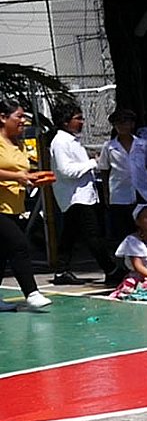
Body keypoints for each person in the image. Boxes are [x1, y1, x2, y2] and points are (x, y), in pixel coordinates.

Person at [48, 104, 117, 285]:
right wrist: (93, 163)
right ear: (65, 122)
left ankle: (61, 270)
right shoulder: (61, 142)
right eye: (77, 118)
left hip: (84, 194)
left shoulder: (73, 141)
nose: (82, 122)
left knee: (69, 234)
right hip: (75, 196)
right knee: (93, 234)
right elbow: (66, 171)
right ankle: (110, 268)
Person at [0, 99, 52, 312]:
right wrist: (18, 177)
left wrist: (32, 179)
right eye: (19, 116)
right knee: (19, 244)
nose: (23, 121)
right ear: (3, 118)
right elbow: (14, 174)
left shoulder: (18, 144)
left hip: (14, 205)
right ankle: (32, 293)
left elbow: (21, 173)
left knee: (3, 252)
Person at [97, 108, 147, 240]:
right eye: (118, 123)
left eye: (125, 122)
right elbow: (104, 170)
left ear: (132, 124)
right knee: (123, 229)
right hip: (119, 193)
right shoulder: (109, 147)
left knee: (145, 227)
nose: (122, 126)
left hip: (142, 192)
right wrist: (106, 193)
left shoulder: (142, 144)